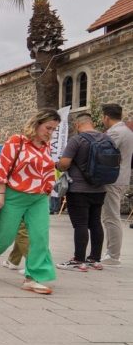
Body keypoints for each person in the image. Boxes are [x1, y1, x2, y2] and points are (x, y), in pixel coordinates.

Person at [0, 109, 60, 295]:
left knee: (40, 237)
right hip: (14, 195)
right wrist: (1, 195)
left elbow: (47, 171)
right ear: (37, 123)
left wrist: (47, 189)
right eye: (48, 128)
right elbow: (2, 168)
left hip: (38, 198)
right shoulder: (16, 141)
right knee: (4, 237)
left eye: (54, 129)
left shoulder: (46, 146)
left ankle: (32, 278)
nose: (50, 132)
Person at [56, 113, 111, 271]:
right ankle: (95, 259)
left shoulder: (77, 140)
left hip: (78, 189)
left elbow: (64, 164)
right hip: (100, 188)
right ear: (91, 123)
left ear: (77, 125)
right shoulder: (107, 139)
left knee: (80, 224)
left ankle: (78, 260)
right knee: (95, 222)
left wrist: (57, 165)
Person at [100, 104, 133, 267]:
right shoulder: (126, 131)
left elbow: (102, 151)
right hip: (121, 178)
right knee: (111, 216)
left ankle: (113, 255)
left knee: (111, 217)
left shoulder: (116, 132)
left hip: (113, 179)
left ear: (106, 117)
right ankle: (111, 253)